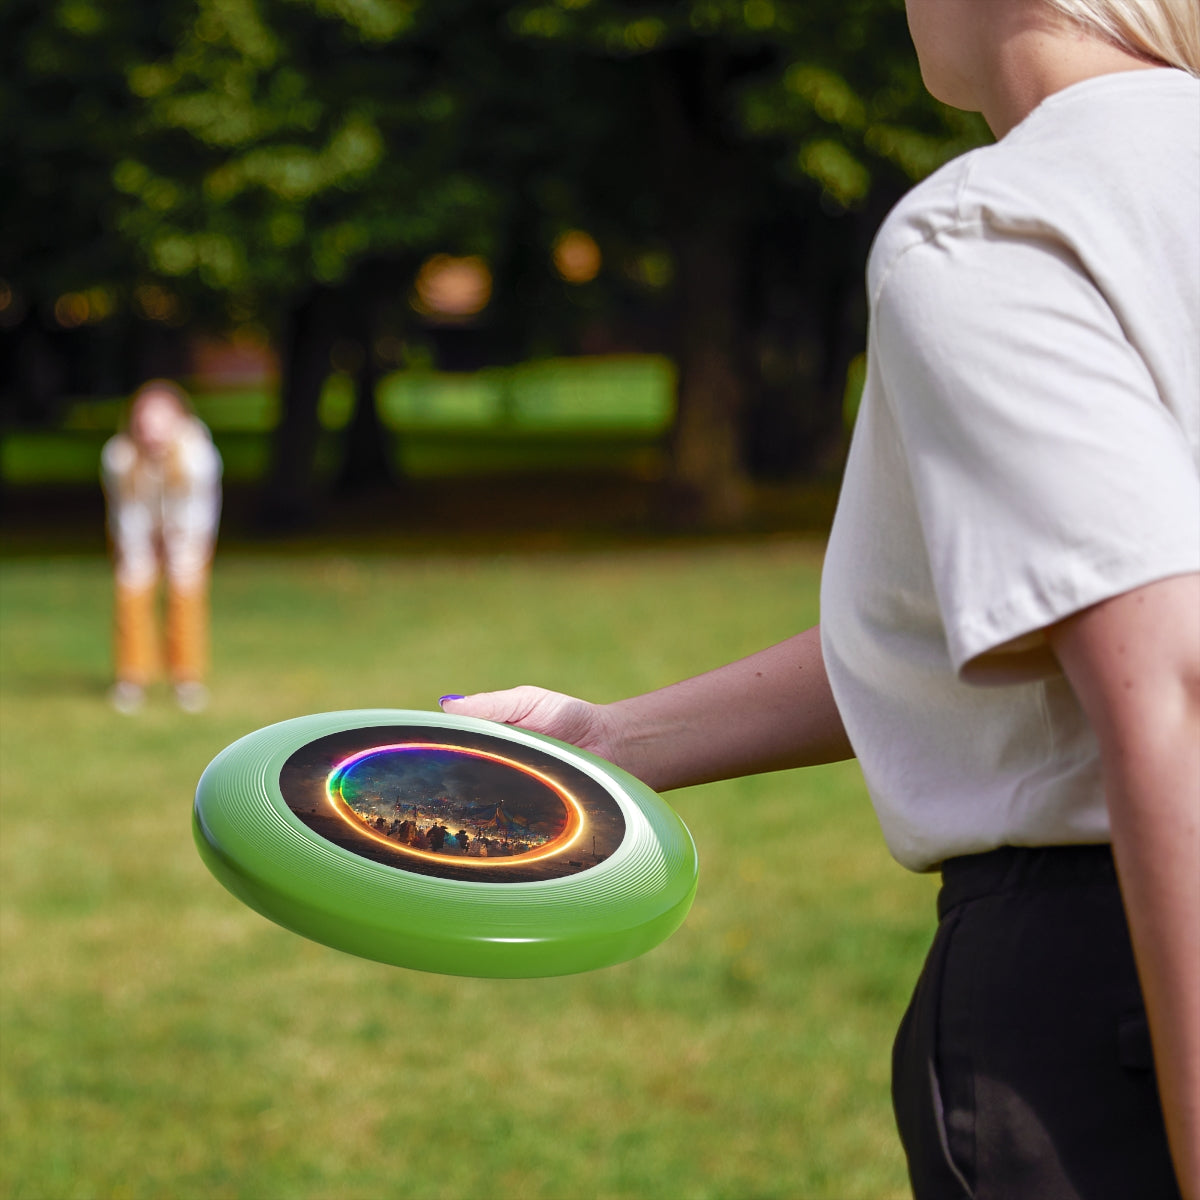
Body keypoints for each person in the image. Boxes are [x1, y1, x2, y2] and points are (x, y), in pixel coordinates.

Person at [440, 2, 1199, 1196]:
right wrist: (610, 740)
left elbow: (1171, 683)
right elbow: (1008, 615)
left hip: (1115, 991)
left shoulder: (1000, 225)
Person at [101, 380, 222, 714]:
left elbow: (198, 511)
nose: (152, 430)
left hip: (187, 533)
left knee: (186, 595)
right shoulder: (119, 456)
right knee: (132, 591)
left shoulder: (198, 455)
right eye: (145, 421)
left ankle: (186, 678)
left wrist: (179, 547)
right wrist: (139, 552)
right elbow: (126, 511)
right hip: (137, 532)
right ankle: (132, 678)